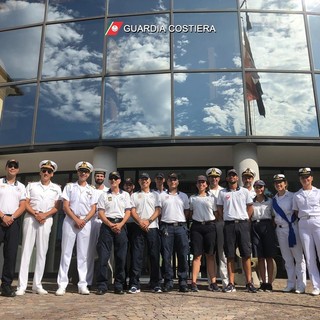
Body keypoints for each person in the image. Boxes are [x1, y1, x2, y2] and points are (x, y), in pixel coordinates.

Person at [16, 160, 62, 296]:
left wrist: (44, 215)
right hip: (31, 218)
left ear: (52, 174)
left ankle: (37, 285)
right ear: (40, 172)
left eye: (49, 171)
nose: (46, 173)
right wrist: (36, 214)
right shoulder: (31, 186)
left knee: (42, 252)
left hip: (46, 220)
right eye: (44, 170)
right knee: (26, 251)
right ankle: (22, 285)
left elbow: (57, 207)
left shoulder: (57, 188)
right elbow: (26, 203)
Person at [56, 161, 97, 296]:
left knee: (83, 255)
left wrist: (83, 220)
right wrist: (76, 219)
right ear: (77, 172)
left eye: (85, 171)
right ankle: (62, 284)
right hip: (70, 221)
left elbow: (93, 208)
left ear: (89, 174)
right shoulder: (69, 187)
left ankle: (83, 284)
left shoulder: (92, 190)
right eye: (81, 171)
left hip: (85, 222)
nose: (83, 173)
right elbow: (65, 206)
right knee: (66, 253)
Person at [217, 169, 257, 293]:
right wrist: (227, 218)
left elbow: (250, 207)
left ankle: (249, 282)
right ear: (228, 178)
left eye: (234, 175)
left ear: (237, 178)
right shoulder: (222, 192)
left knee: (246, 254)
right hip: (229, 225)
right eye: (230, 176)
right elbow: (219, 208)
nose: (232, 177)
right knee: (230, 255)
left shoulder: (245, 191)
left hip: (243, 224)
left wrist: (246, 220)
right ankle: (231, 283)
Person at [96, 171, 131, 295]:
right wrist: (110, 224)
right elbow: (100, 212)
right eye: (111, 179)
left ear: (119, 181)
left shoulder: (126, 195)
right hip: (107, 226)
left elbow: (128, 212)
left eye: (116, 178)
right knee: (103, 257)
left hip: (121, 225)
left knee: (121, 257)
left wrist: (120, 225)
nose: (113, 181)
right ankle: (102, 285)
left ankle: (119, 285)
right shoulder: (103, 195)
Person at [273, 173, 306, 294]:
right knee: (287, 259)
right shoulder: (274, 199)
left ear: (285, 183)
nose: (278, 184)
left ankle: (301, 285)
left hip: (292, 229)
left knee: (298, 257)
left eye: (281, 182)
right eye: (276, 183)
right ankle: (290, 283)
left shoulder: (293, 196)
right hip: (280, 230)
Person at [129, 172, 162, 293]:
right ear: (139, 182)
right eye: (142, 180)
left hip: (152, 227)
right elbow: (132, 211)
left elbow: (158, 210)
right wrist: (140, 222)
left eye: (146, 179)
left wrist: (148, 221)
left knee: (154, 256)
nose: (144, 181)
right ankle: (134, 284)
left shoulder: (155, 195)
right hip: (138, 228)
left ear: (149, 181)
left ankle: (155, 283)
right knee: (137, 256)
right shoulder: (134, 195)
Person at [159, 172, 190, 293]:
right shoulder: (162, 195)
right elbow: (159, 211)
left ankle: (183, 281)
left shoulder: (183, 196)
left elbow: (187, 212)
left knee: (182, 255)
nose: (172, 182)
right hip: (167, 227)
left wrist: (181, 222)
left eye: (175, 180)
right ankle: (168, 281)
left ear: (178, 182)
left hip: (180, 227)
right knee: (166, 256)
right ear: (167, 182)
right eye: (170, 180)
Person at [0, 159, 26, 297]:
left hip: (13, 222)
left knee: (10, 255)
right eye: (10, 165)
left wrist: (12, 217)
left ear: (18, 170)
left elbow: (23, 205)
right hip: (0, 218)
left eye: (15, 166)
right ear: (6, 168)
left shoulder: (21, 186)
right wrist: (3, 216)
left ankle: (6, 286)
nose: (12, 168)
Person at [293, 168, 320, 296]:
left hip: (317, 221)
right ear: (300, 179)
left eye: (307, 177)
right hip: (303, 223)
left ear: (312, 178)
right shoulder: (297, 195)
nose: (305, 179)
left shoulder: (318, 192)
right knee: (309, 257)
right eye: (303, 177)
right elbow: (296, 211)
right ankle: (316, 285)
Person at [189, 175, 219, 292]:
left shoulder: (212, 198)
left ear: (206, 185)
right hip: (197, 227)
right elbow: (190, 213)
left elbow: (216, 213)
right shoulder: (192, 198)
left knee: (210, 255)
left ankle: (213, 282)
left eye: (203, 182)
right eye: (199, 182)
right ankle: (194, 282)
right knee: (197, 256)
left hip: (209, 226)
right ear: (196, 185)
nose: (201, 184)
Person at [251, 179, 277, 292]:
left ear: (264, 188)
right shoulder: (251, 202)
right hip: (255, 226)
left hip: (267, 226)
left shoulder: (270, 201)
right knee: (260, 257)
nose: (259, 189)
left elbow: (273, 216)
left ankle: (270, 283)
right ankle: (263, 282)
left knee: (269, 256)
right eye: (257, 187)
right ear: (254, 188)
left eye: (261, 187)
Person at [86, 168, 109, 289]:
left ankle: (105, 280)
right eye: (97, 176)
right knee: (89, 252)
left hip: (104, 222)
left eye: (101, 176)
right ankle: (88, 281)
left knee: (104, 253)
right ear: (94, 177)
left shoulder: (108, 191)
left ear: (104, 178)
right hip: (92, 221)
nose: (99, 178)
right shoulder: (90, 190)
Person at [206, 167, 228, 290]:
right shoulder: (204, 191)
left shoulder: (223, 192)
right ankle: (211, 282)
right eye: (211, 177)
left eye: (216, 177)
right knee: (210, 254)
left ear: (219, 178)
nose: (213, 179)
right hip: (209, 224)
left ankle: (225, 282)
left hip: (220, 223)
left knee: (222, 254)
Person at [123, 177, 135, 289]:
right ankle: (123, 280)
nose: (128, 187)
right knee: (124, 254)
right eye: (126, 185)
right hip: (124, 225)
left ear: (133, 187)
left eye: (130, 185)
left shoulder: (136, 196)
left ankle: (133, 281)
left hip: (135, 226)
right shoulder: (121, 195)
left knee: (134, 255)